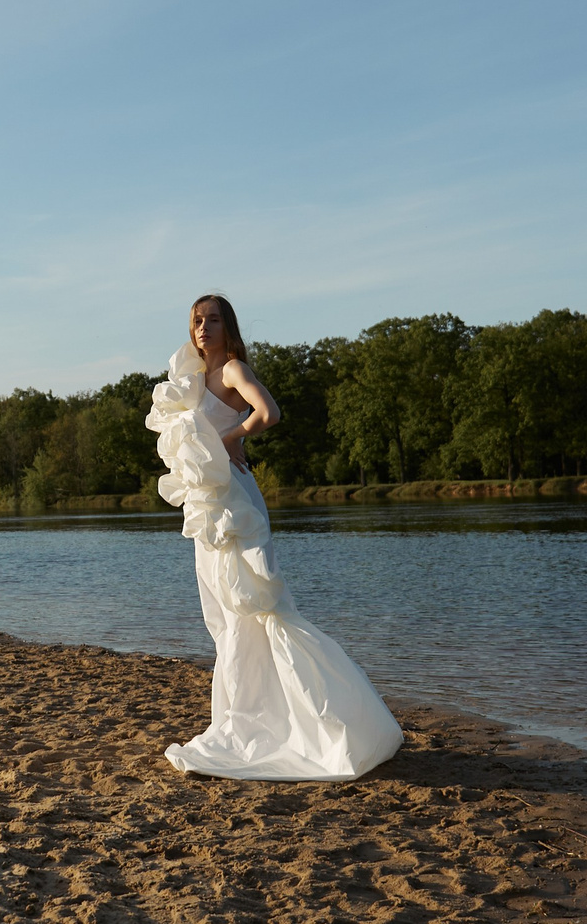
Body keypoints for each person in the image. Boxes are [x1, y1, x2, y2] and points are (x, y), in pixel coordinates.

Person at [146, 294, 403, 780]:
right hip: (210, 508)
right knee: (225, 617)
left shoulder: (232, 371)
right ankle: (243, 720)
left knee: (258, 608)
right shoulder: (194, 379)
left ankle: (315, 724)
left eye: (213, 320)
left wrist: (228, 438)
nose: (203, 328)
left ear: (228, 327)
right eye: (197, 321)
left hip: (235, 504)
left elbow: (269, 413)